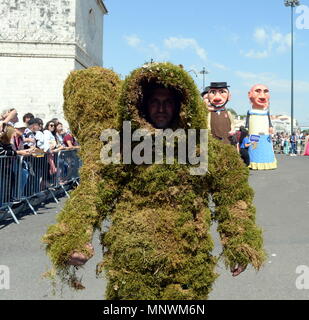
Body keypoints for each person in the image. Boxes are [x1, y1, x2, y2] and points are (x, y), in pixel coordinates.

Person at [43, 64, 265, 300]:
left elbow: (233, 198)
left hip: (188, 263)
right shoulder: (122, 149)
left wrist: (239, 242)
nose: (161, 108)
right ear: (140, 104)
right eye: (154, 101)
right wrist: (75, 238)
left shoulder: (204, 150)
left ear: (181, 105)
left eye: (168, 102)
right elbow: (94, 193)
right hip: (130, 266)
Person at [245, 84, 277, 170]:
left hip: (265, 134)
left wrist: (270, 127)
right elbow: (247, 122)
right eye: (257, 91)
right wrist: (246, 129)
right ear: (250, 94)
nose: (262, 95)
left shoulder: (266, 112)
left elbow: (269, 121)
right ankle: (254, 163)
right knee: (254, 148)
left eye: (265, 91)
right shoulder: (250, 111)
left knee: (266, 148)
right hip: (254, 134)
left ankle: (267, 163)